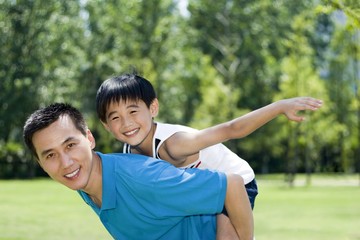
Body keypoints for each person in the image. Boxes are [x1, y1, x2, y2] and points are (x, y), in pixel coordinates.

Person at [96, 73, 323, 239]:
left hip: (236, 184)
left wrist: (279, 106)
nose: (126, 123)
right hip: (201, 193)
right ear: (106, 125)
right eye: (115, 117)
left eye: (133, 111)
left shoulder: (174, 144)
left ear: (153, 108)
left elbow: (231, 129)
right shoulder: (129, 152)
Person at [23, 103, 254, 240]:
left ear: (89, 138)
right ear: (40, 162)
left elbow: (231, 184)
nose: (65, 163)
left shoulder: (144, 177)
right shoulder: (85, 181)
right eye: (50, 155)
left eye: (70, 145)